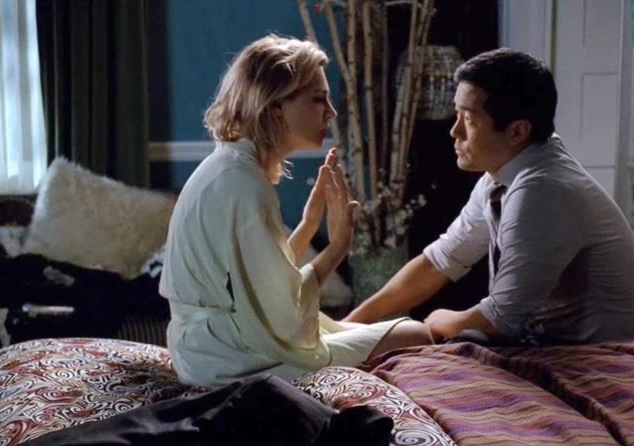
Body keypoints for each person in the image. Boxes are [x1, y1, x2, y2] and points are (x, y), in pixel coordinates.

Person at [160, 35, 432, 388]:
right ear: (275, 105)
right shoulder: (244, 182)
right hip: (227, 356)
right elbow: (283, 317)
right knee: (415, 334)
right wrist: (337, 247)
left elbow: (263, 279)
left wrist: (308, 223)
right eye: (318, 99)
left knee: (374, 330)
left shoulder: (233, 166)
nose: (330, 112)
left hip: (208, 345)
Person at [345, 48, 634, 345]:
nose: (454, 131)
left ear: (517, 132)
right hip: (544, 340)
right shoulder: (505, 172)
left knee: (413, 338)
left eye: (468, 119)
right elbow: (441, 261)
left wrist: (438, 319)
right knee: (403, 339)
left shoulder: (542, 191)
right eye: (457, 114)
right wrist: (350, 323)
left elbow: (499, 321)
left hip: (595, 354)